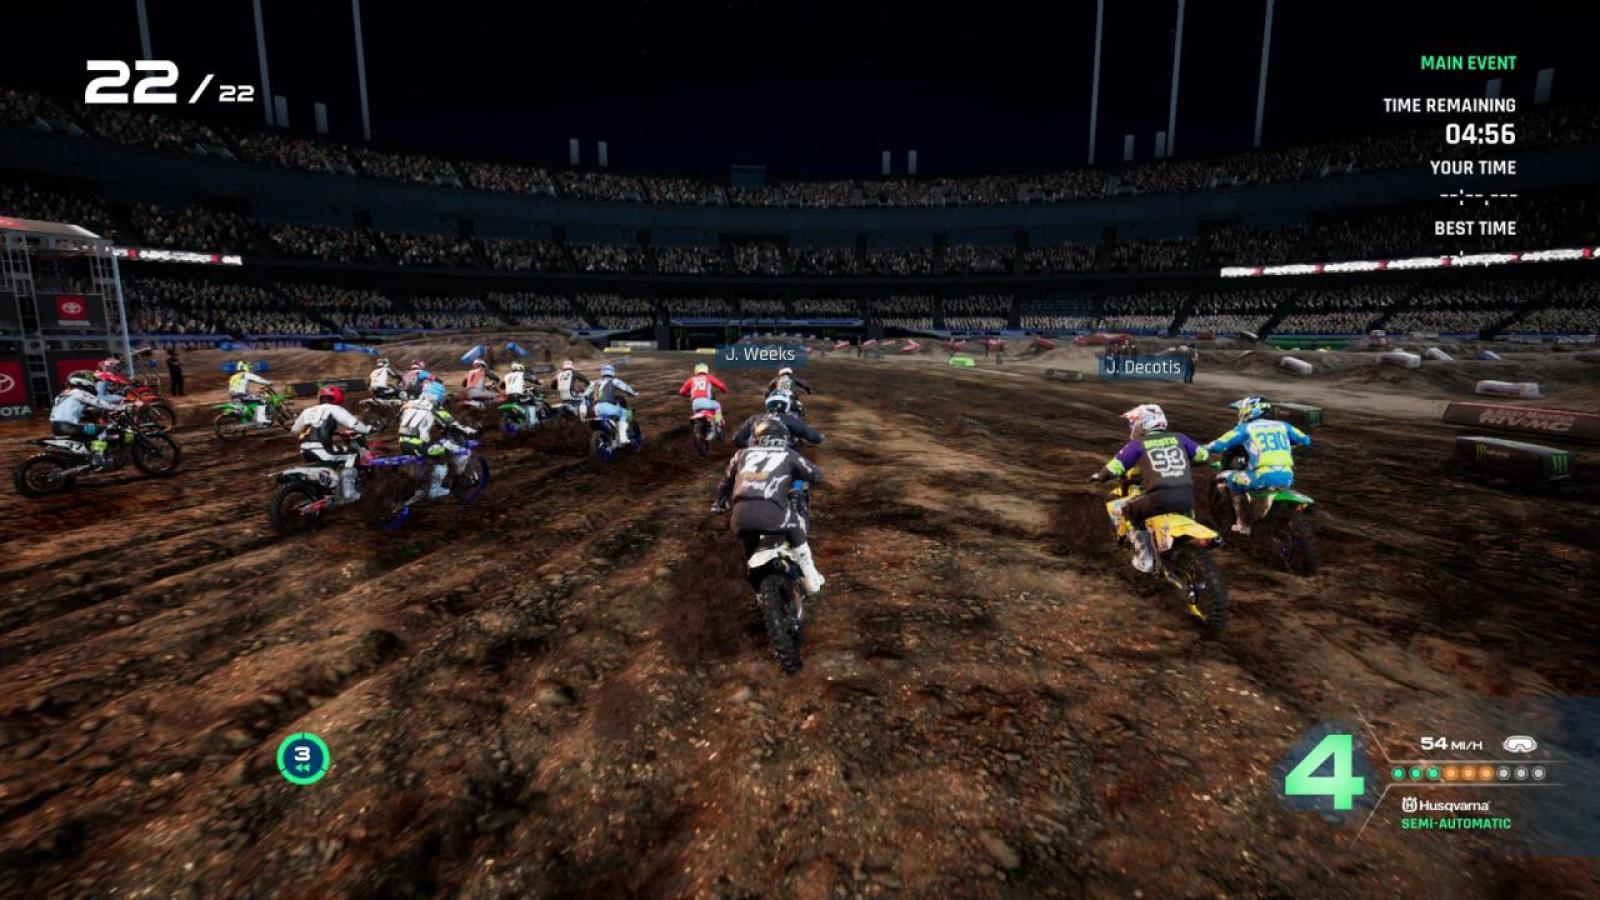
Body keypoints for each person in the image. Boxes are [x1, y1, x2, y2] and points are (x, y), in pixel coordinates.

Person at [711, 416, 827, 597]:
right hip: (773, 515)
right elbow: (816, 476)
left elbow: (725, 482)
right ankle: (811, 578)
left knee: (748, 552)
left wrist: (719, 503)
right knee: (795, 524)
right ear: (783, 436)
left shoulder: (741, 454)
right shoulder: (789, 454)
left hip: (740, 519)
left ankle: (758, 592)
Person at [1089, 404, 1209, 573]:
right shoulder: (1179, 438)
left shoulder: (1139, 444)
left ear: (1144, 423)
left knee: (1127, 511)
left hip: (1158, 498)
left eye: (1134, 423)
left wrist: (1100, 476)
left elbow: (1116, 466)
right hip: (1187, 497)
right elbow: (1203, 455)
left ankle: (1144, 558)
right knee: (1182, 512)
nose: (1132, 426)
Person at [1202, 396, 1312, 534]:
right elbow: (1306, 440)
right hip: (1287, 476)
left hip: (1262, 477)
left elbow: (1219, 444)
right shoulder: (1283, 426)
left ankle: (1243, 524)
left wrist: (1203, 448)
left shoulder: (1246, 428)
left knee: (1229, 478)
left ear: (1249, 411)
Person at [288, 385, 373, 503]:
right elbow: (353, 423)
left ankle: (329, 489)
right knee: (352, 454)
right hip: (322, 450)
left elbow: (294, 430)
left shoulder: (307, 411)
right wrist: (368, 429)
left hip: (305, 451)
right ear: (337, 397)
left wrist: (333, 432)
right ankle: (349, 493)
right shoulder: (334, 409)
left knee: (335, 457)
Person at [399, 380, 477, 499]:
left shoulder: (408, 404)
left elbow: (400, 418)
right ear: (439, 395)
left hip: (403, 442)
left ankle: (421, 480)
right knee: (444, 453)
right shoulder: (434, 407)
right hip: (419, 445)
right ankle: (435, 489)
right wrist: (470, 430)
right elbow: (453, 424)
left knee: (431, 449)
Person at [49, 371, 124, 465]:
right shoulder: (79, 393)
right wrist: (121, 407)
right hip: (67, 426)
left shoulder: (63, 394)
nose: (94, 384)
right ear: (84, 381)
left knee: (87, 434)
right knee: (101, 429)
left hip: (56, 426)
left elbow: (73, 410)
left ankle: (81, 459)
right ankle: (98, 458)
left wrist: (92, 415)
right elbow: (99, 402)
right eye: (93, 381)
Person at [732, 391, 824, 449]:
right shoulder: (790, 419)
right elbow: (814, 438)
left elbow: (737, 440)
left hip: (753, 458)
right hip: (784, 458)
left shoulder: (754, 419)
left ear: (768, 405)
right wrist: (819, 438)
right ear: (786, 405)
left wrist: (751, 445)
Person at [582, 364, 638, 444]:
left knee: (611, 417)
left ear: (602, 372)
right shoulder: (614, 381)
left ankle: (611, 438)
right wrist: (634, 393)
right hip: (608, 406)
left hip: (597, 408)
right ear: (612, 372)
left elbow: (585, 394)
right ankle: (623, 437)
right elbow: (626, 388)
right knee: (625, 413)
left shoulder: (595, 382)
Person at [678, 362, 728, 428]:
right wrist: (724, 391)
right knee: (717, 405)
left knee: (696, 414)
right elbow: (721, 385)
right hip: (706, 401)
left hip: (695, 404)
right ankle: (718, 423)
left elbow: (682, 392)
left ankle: (700, 425)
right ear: (706, 370)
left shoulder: (691, 379)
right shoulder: (708, 377)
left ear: (696, 371)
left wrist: (690, 395)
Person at [228, 361, 274, 425]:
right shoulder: (246, 374)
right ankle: (261, 420)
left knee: (252, 401)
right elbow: (259, 379)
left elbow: (237, 387)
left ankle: (252, 419)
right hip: (242, 396)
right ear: (245, 367)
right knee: (262, 400)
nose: (249, 368)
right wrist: (268, 382)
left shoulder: (233, 377)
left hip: (233, 398)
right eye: (248, 366)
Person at [500, 361, 541, 427]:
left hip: (509, 397)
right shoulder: (521, 374)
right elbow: (532, 379)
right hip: (517, 396)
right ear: (520, 367)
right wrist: (538, 382)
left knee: (523, 400)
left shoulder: (507, 376)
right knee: (531, 398)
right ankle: (532, 421)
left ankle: (522, 419)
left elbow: (501, 386)